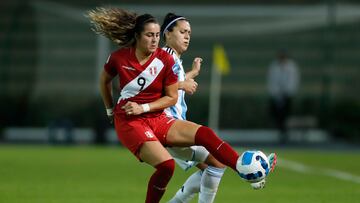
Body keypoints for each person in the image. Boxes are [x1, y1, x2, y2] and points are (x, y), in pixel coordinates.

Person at [87, 7, 277, 203]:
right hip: (132, 120)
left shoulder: (166, 59)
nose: (154, 40)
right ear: (137, 36)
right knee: (182, 166)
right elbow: (106, 81)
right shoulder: (121, 57)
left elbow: (170, 95)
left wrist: (187, 77)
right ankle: (244, 170)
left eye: (156, 35)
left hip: (158, 117)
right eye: (149, 35)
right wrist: (110, 109)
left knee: (207, 140)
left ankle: (243, 169)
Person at [160, 13, 226, 203]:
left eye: (189, 32)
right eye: (182, 31)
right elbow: (155, 86)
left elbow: (171, 81)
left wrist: (191, 74)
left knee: (210, 169)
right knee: (218, 163)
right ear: (167, 34)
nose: (187, 36)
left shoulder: (173, 58)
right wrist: (182, 85)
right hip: (171, 128)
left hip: (173, 129)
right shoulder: (166, 57)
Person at [267, 49, 300, 144]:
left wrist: (287, 92)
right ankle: (280, 131)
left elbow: (293, 80)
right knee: (277, 115)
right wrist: (276, 93)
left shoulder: (291, 67)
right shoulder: (274, 66)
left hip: (287, 95)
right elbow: (272, 80)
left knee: (286, 115)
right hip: (277, 95)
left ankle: (285, 132)